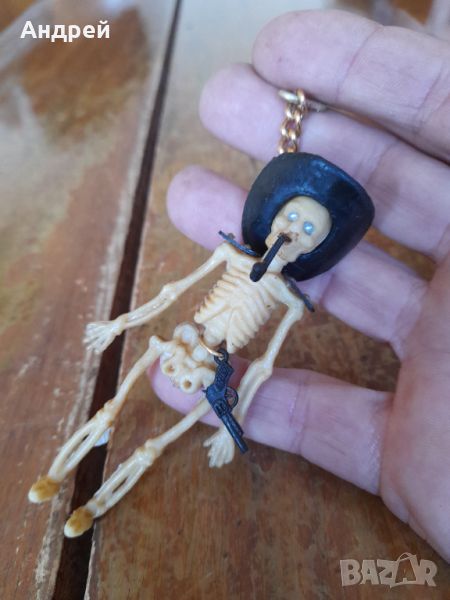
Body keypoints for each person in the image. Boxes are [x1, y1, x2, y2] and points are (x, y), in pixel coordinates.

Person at [149, 10, 450, 561]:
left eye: (310, 231)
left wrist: (231, 424)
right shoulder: (237, 254)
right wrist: (124, 322)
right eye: (292, 217)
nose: (293, 230)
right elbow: (180, 287)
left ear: (320, 246)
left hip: (214, 356)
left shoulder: (288, 294)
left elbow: (267, 360)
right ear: (274, 211)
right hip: (198, 335)